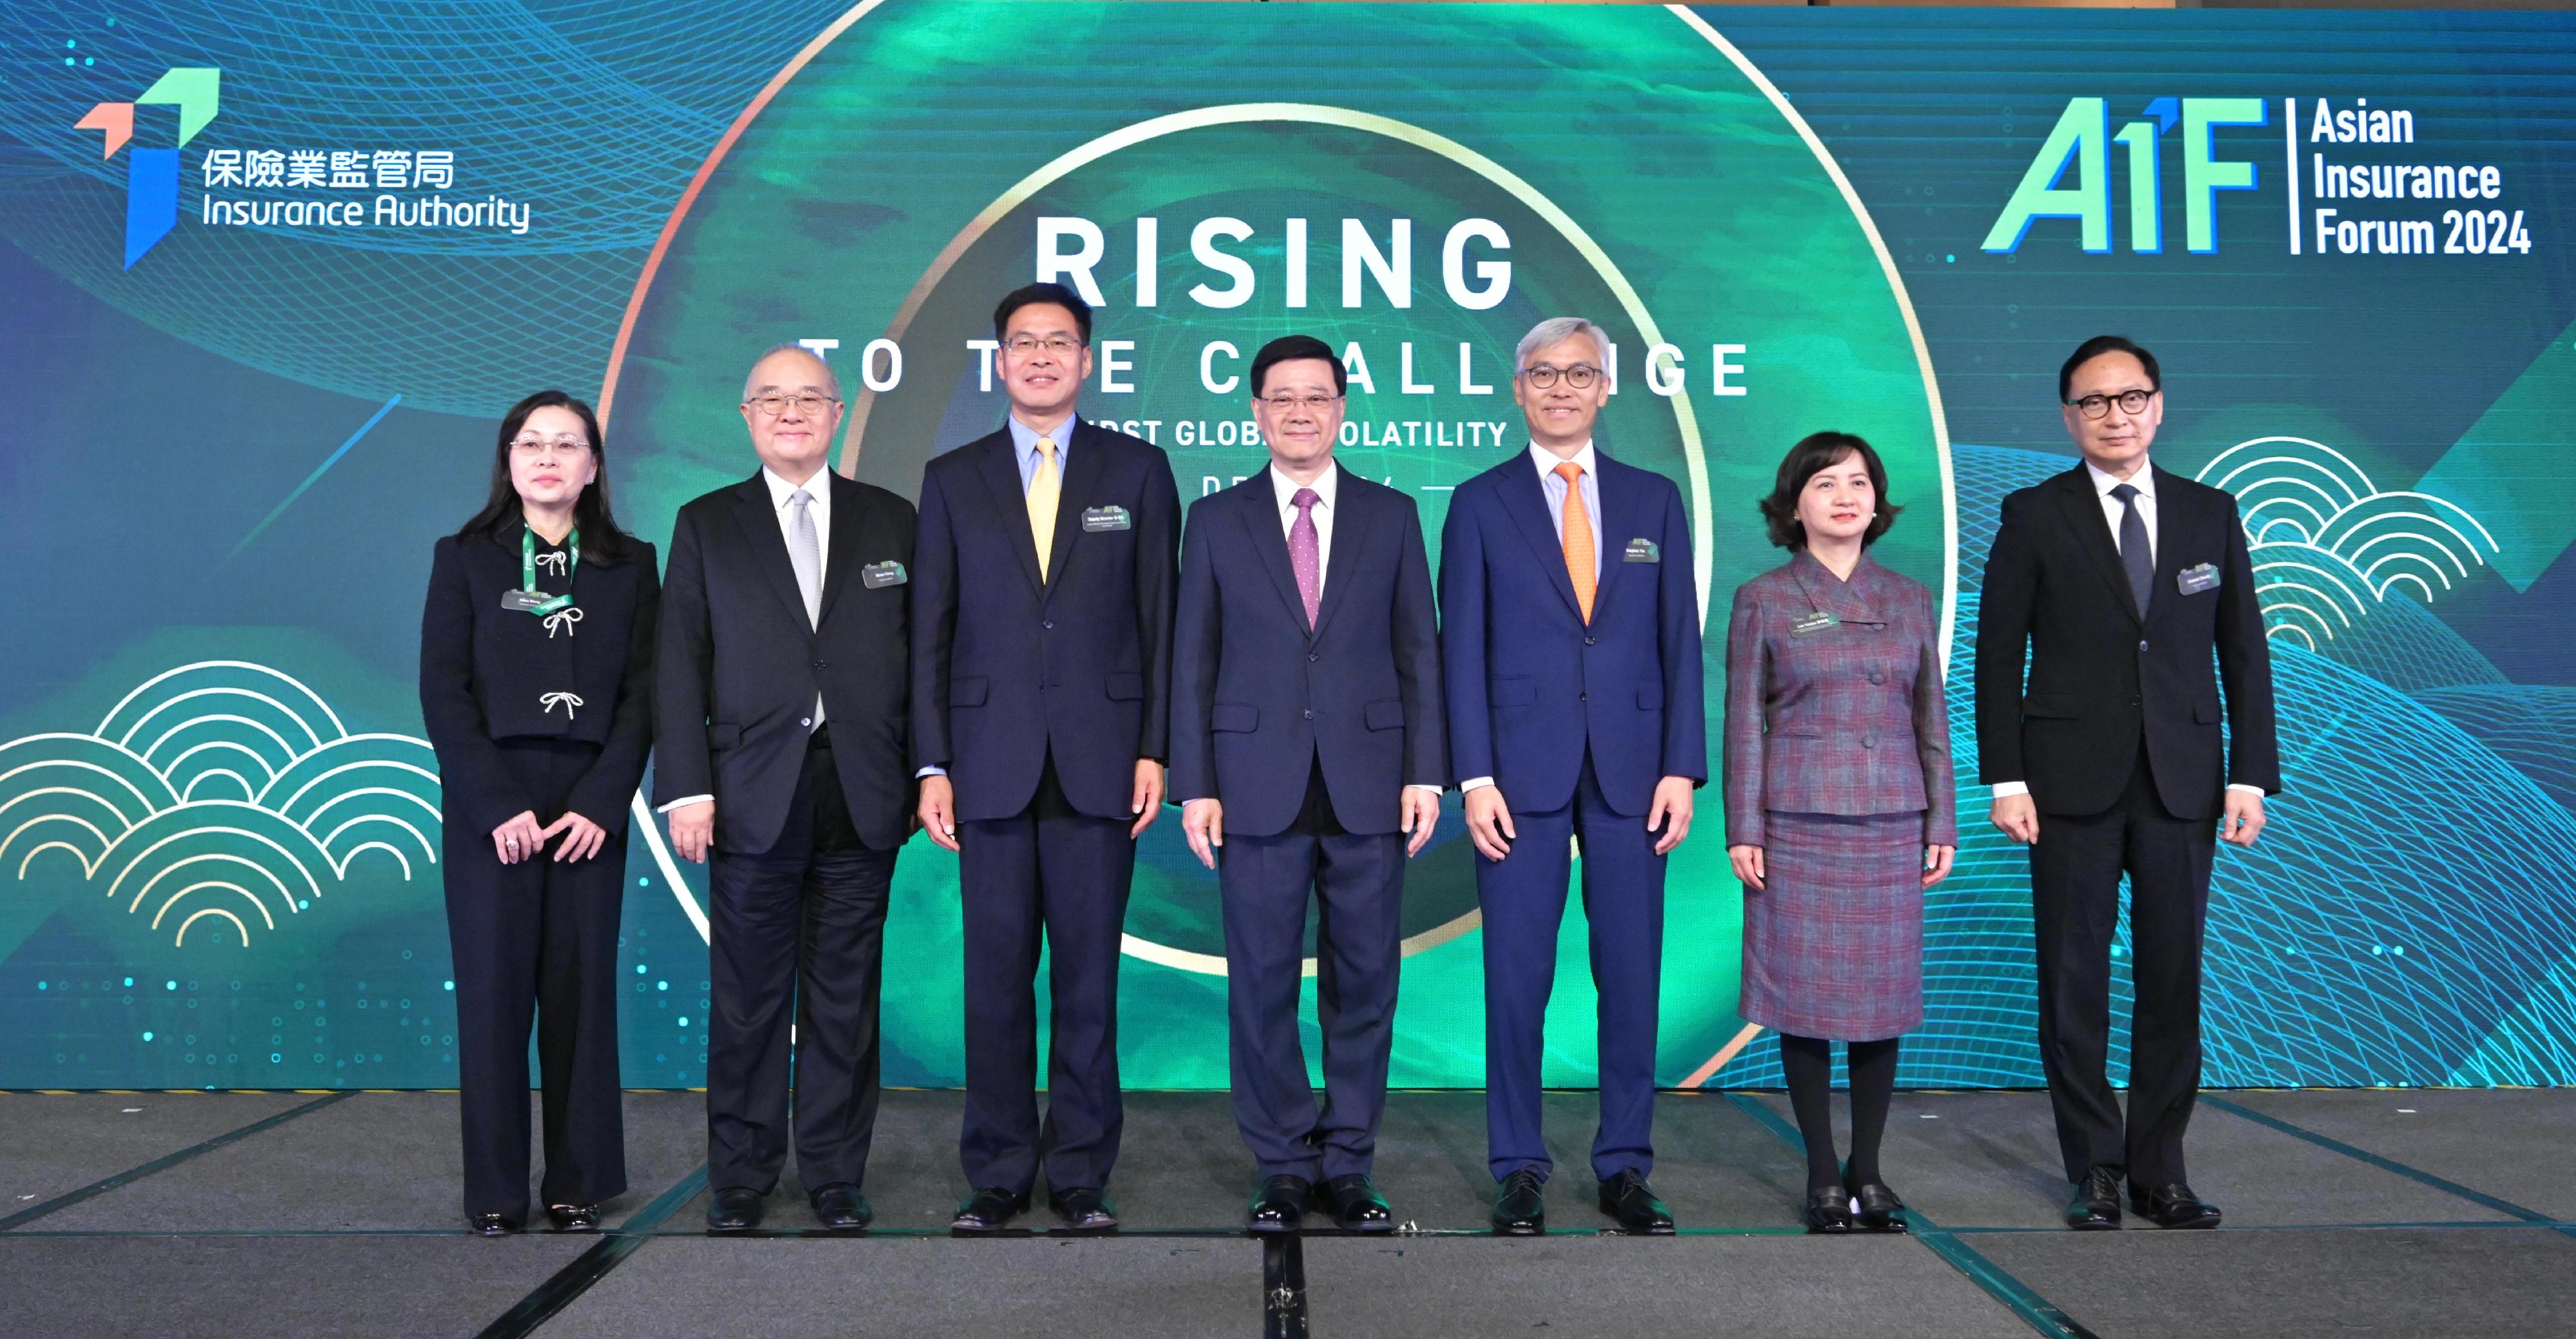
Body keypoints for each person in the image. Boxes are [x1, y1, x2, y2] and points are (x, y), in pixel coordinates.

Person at [1975, 335, 2278, 1231]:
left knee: (2172, 979)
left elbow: (2244, 652)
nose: (2117, 413)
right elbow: (1998, 656)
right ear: (2069, 415)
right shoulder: (2034, 512)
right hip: (2066, 783)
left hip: (2184, 782)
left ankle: (2161, 1169)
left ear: (2158, 404)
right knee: (2073, 980)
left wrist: (2250, 773)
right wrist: (2006, 777)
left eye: (2132, 395)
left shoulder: (2209, 513)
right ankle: (2095, 1168)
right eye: (2096, 400)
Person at [911, 283, 1180, 1233]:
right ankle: (995, 1170)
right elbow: (929, 632)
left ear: (1087, 360)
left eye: (1057, 342)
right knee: (993, 976)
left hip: (1103, 763)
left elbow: (1162, 623)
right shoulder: (952, 476)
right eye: (1021, 342)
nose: (1039, 357)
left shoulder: (1140, 471)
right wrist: (931, 761)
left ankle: (1077, 1171)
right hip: (985, 762)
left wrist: (1156, 748)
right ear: (999, 360)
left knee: (1087, 981)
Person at [1170, 334, 1445, 1234]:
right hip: (1252, 783)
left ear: (1341, 408)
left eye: (1316, 397)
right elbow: (1193, 659)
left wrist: (1426, 772)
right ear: (1255, 411)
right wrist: (1194, 782)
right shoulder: (1215, 520)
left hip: (1370, 782)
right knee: (1260, 980)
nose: (1299, 411)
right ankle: (1283, 1162)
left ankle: (1350, 1163)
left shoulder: (1393, 514)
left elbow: (1419, 652)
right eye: (1281, 398)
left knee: (1366, 981)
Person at [1439, 316, 1703, 1236]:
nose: (1561, 387)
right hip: (1517, 774)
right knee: (1517, 978)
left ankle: (1626, 1164)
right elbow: (1459, 650)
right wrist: (1472, 774)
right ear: (1516, 388)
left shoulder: (1653, 499)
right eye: (1543, 373)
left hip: (1636, 773)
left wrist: (1683, 766)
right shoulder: (1478, 501)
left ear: (1607, 387)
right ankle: (1518, 1164)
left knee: (1631, 974)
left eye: (1579, 373)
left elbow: (1680, 640)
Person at [653, 344, 918, 1233]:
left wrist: (928, 770)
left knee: (846, 999)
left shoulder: (893, 519)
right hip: (745, 790)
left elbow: (925, 661)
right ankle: (742, 1174)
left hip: (864, 790)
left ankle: (837, 1173)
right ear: (747, 415)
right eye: (773, 397)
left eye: (810, 397)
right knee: (748, 997)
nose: (792, 411)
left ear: (839, 411)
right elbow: (677, 666)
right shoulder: (706, 522)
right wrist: (685, 786)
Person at [420, 390, 658, 1237]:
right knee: (493, 996)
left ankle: (577, 1178)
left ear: (594, 464)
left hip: (590, 801)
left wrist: (604, 800)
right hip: (494, 804)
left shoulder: (632, 563)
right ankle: (494, 1188)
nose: (547, 456)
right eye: (531, 442)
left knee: (579, 993)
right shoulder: (467, 557)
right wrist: (493, 803)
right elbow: (443, 692)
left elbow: (643, 695)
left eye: (567, 443)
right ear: (509, 460)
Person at [1722, 432, 1955, 1235]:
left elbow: (1931, 718)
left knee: (1880, 1004)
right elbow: (1743, 725)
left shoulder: (1909, 596)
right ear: (1795, 504)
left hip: (1891, 820)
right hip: (1798, 823)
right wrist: (1742, 827)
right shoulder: (1764, 597)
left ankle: (1871, 1169)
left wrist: (1941, 817)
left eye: (1859, 482)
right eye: (1826, 483)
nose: (1846, 496)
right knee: (1806, 1001)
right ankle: (1824, 1172)